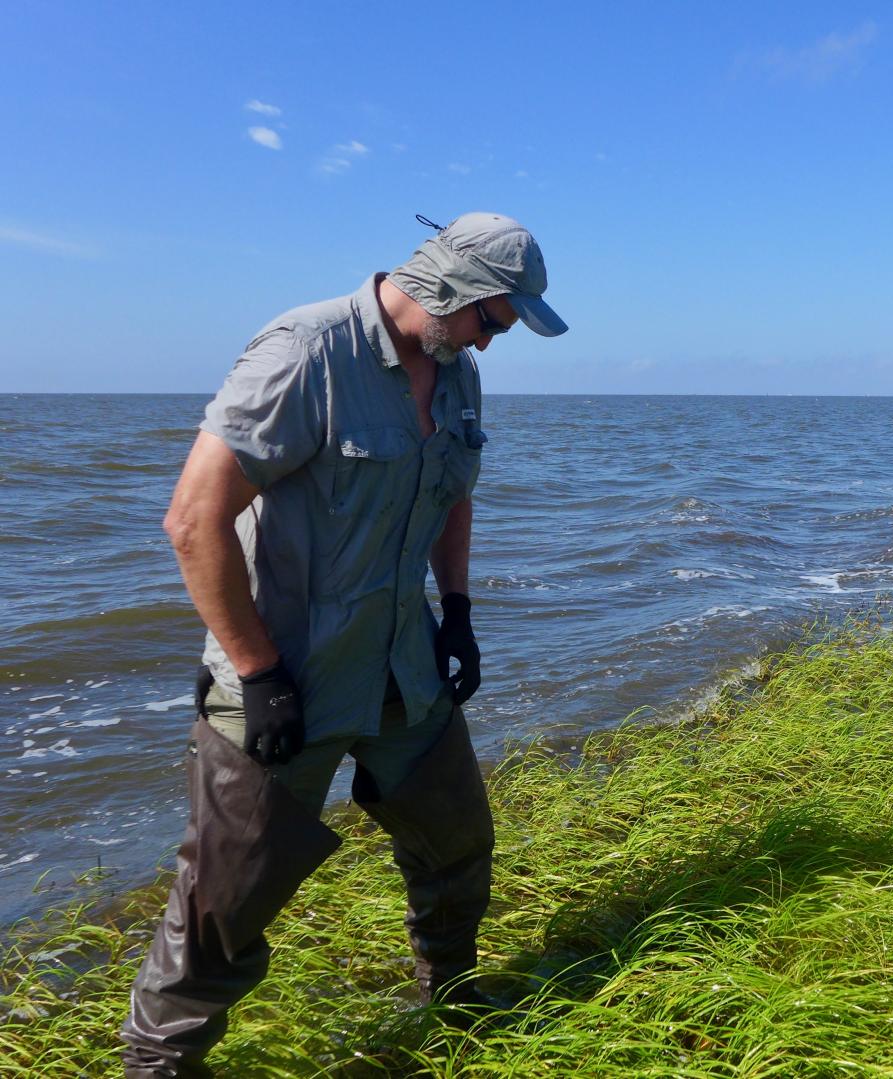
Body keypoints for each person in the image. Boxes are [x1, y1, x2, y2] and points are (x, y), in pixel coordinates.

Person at [120, 212, 567, 1078]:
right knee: (227, 895)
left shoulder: (458, 374)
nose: (495, 341)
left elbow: (454, 490)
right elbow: (192, 519)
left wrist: (460, 607)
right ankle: (159, 1064)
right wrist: (257, 672)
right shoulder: (304, 352)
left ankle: (453, 996)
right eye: (494, 319)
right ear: (450, 288)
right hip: (288, 673)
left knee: (458, 837)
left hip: (403, 661)